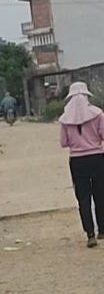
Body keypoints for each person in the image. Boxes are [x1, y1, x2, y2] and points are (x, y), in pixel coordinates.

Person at [59, 81, 104, 247]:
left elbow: (63, 143)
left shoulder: (65, 119)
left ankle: (90, 234)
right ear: (86, 95)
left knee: (83, 198)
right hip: (98, 158)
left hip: (77, 161)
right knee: (101, 195)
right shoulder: (98, 114)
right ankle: (103, 230)